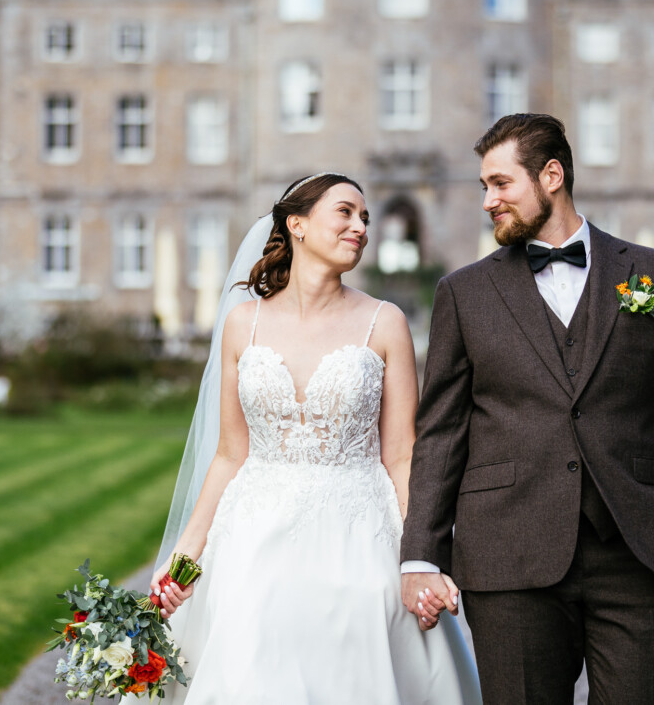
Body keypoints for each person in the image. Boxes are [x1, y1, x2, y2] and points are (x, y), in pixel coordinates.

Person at [400, 114, 654, 705]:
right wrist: (420, 555)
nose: (489, 201)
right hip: (508, 555)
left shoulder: (653, 275)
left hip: (638, 553)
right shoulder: (463, 293)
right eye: (484, 187)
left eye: (500, 183)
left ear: (552, 175)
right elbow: (440, 432)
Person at [138, 173, 479, 705]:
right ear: (296, 224)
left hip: (360, 537)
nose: (360, 227)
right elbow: (231, 454)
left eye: (365, 218)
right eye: (345, 212)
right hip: (253, 539)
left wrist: (423, 558)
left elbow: (402, 455)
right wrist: (184, 558)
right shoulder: (241, 325)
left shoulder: (384, 323)